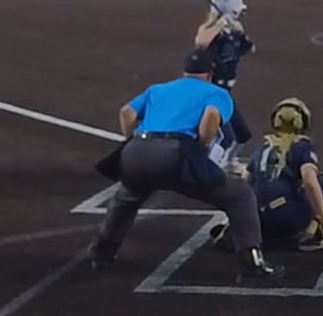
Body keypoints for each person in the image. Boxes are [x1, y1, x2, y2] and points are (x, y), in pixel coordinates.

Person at [89, 51, 283, 281]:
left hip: (134, 151)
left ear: (185, 71)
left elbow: (126, 112)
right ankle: (252, 263)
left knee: (126, 197)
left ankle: (102, 252)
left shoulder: (158, 89)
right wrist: (201, 145)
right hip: (176, 154)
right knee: (240, 196)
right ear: (210, 73)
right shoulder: (216, 92)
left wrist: (135, 142)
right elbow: (212, 117)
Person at [232, 98, 323, 252]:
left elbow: (244, 183)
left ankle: (235, 230)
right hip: (289, 217)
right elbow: (309, 181)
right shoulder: (301, 145)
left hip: (258, 219)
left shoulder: (263, 146)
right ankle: (315, 232)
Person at [195, 0, 255, 169]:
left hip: (224, 94)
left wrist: (238, 32)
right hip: (210, 92)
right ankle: (208, 170)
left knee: (242, 135)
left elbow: (249, 49)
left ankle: (228, 163)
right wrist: (220, 25)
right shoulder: (209, 29)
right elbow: (201, 42)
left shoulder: (234, 29)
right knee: (225, 137)